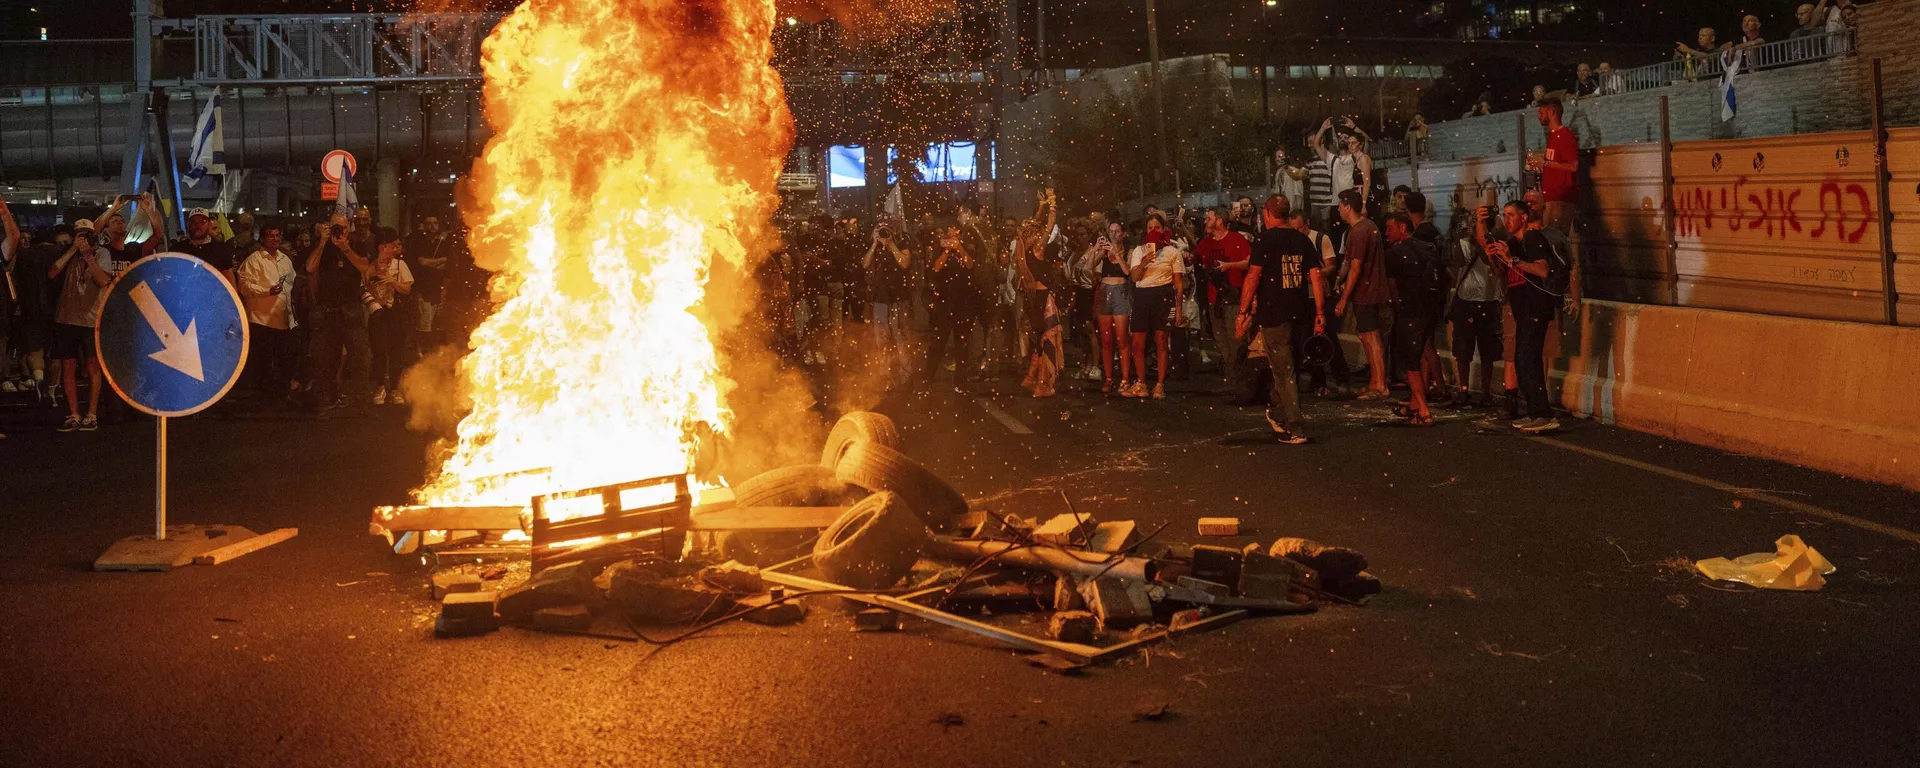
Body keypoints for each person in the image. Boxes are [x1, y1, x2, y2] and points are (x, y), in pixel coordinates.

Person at [1236, 196, 1322, 445]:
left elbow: (1252, 276)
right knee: (1287, 366)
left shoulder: (1265, 240)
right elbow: (1315, 277)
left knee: (1283, 371)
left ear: (1267, 213)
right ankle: (1280, 413)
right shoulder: (1302, 239)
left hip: (1275, 314)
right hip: (1299, 312)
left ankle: (1295, 427)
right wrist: (1320, 313)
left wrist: (1243, 312)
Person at [1483, 200, 1570, 433]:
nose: (1507, 219)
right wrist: (1497, 255)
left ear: (1524, 217)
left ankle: (1543, 414)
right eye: (1505, 214)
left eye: (1512, 214)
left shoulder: (1533, 239)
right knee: (1523, 362)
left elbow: (1542, 269)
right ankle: (1536, 413)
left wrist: (1513, 259)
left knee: (1528, 361)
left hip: (1535, 309)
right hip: (1523, 311)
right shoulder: (1515, 243)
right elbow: (1505, 273)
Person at [304, 214, 373, 417]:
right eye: (335, 228)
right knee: (326, 360)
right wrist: (323, 242)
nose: (339, 232)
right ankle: (325, 402)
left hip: (351, 309)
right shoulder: (323, 248)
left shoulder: (356, 245)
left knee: (360, 359)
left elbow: (363, 266)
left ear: (348, 229)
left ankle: (363, 405)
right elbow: (309, 267)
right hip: (328, 311)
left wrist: (345, 248)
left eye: (342, 228)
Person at [46, 220, 112, 432]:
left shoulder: (102, 253)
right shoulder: (67, 252)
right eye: (79, 234)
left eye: (87, 234)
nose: (83, 238)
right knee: (68, 367)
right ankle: (74, 413)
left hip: (92, 319)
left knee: (93, 366)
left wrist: (88, 256)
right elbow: (52, 273)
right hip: (66, 318)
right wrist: (74, 249)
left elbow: (103, 281)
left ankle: (91, 414)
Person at [1383, 213, 1446, 426]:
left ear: (1402, 228)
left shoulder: (1394, 253)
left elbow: (1392, 286)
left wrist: (1396, 304)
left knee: (1410, 363)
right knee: (1423, 353)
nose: (1386, 233)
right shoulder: (1428, 248)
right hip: (1431, 309)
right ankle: (1414, 405)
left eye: (1390, 229)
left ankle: (1424, 411)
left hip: (1410, 310)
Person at [1332, 190, 1392, 400]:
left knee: (1371, 336)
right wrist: (1339, 279)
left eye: (1340, 205)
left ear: (1348, 206)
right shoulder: (1364, 227)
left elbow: (1355, 267)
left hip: (1368, 291)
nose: (1338, 209)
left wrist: (1343, 299)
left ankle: (1380, 385)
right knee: (1367, 335)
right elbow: (1348, 263)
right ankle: (1375, 381)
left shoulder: (1358, 231)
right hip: (1369, 290)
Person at [1448, 204, 1504, 409]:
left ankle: (1486, 392)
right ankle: (1464, 390)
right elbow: (1457, 262)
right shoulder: (1464, 242)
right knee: (1463, 351)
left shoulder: (1494, 243)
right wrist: (1457, 237)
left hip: (1489, 301)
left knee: (1488, 352)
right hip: (1466, 301)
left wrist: (1480, 237)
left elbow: (1490, 262)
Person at [236, 225, 298, 400]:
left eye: (278, 235)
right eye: (271, 236)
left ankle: (282, 394)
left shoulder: (285, 259)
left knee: (286, 359)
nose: (275, 239)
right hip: (262, 320)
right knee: (264, 362)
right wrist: (267, 291)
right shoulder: (253, 260)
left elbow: (292, 284)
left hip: (284, 320)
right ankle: (265, 398)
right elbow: (244, 286)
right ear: (262, 239)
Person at [1289, 208, 1347, 396]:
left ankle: (1341, 378)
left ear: (1307, 223)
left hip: (1320, 295)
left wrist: (1316, 273)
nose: (1297, 233)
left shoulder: (1320, 239)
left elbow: (1331, 267)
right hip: (1301, 297)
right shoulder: (1292, 241)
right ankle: (1317, 381)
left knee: (1328, 337)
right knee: (1306, 340)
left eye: (1299, 228)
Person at [1125, 215, 1184, 399]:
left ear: (1163, 228)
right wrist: (1144, 261)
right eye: (1150, 227)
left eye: (1157, 227)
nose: (1153, 230)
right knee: (1137, 342)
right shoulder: (1138, 250)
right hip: (1142, 296)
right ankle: (1141, 382)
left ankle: (1159, 384)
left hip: (1163, 295)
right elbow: (1134, 277)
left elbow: (1178, 283)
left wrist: (1179, 309)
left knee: (1161, 340)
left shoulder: (1172, 252)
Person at [10, 224, 70, 400]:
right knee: (54, 352)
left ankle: (38, 378)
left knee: (35, 350)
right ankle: (52, 388)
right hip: (56, 306)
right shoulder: (59, 253)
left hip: (30, 308)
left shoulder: (24, 254)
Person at [1193, 208, 1251, 384]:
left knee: (1236, 341)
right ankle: (1233, 378)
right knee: (1221, 340)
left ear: (1219, 221)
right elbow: (1194, 257)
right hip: (1214, 300)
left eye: (1209, 218)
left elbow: (1250, 262)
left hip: (1233, 298)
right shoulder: (1206, 243)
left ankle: (1241, 380)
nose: (1205, 222)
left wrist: (1229, 266)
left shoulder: (1236, 239)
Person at [922, 223, 978, 388]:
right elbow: (935, 269)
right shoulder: (939, 249)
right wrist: (946, 250)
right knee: (938, 342)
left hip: (963, 303)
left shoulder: (966, 248)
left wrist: (959, 248)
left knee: (962, 344)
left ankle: (960, 381)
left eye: (956, 235)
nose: (952, 238)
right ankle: (928, 376)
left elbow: (970, 265)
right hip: (943, 303)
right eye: (950, 235)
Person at [364, 228, 414, 406]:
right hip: (378, 313)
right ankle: (379, 386)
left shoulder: (400, 265)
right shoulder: (370, 266)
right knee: (379, 351)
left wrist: (392, 281)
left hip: (396, 314)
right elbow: (362, 287)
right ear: (381, 247)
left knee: (397, 352)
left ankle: (394, 388)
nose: (395, 249)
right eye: (391, 246)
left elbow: (407, 289)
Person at [864, 220, 911, 386]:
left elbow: (904, 262)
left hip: (898, 299)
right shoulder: (874, 246)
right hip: (880, 300)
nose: (883, 233)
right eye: (880, 230)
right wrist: (875, 244)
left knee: (900, 338)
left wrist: (891, 244)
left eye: (886, 230)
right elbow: (865, 264)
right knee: (881, 340)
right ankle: (885, 375)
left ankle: (905, 376)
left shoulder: (901, 242)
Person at [1092, 220, 1134, 395]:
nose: (1114, 235)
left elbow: (1127, 271)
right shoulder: (1105, 250)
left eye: (1117, 231)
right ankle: (1108, 378)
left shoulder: (1129, 250)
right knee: (1106, 339)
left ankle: (1124, 379)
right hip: (1104, 290)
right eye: (1111, 231)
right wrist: (1097, 249)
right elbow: (1089, 266)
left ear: (1123, 234)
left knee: (1122, 338)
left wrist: (1117, 254)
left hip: (1121, 291)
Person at [404, 214, 454, 352]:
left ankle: (435, 353)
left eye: (435, 223)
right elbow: (420, 262)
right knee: (424, 326)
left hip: (439, 290)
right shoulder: (417, 242)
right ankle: (422, 355)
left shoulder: (443, 243)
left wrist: (430, 262)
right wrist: (439, 261)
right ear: (424, 225)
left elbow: (448, 261)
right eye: (429, 223)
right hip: (423, 290)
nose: (432, 226)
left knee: (438, 326)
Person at [1535, 95, 1579, 239]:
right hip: (1552, 199)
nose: (1538, 116)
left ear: (1551, 113)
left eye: (1541, 113)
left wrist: (1546, 163)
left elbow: (1573, 166)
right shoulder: (1554, 136)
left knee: (1555, 243)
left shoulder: (1565, 135)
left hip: (1561, 199)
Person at [171, 208, 237, 285]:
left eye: (202, 222)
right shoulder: (177, 249)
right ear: (188, 225)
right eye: (193, 222)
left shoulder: (221, 250)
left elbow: (230, 282)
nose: (197, 225)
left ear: (208, 224)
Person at [1304, 137, 1336, 232]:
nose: (1309, 145)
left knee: (1327, 229)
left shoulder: (1330, 158)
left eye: (1311, 142)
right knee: (1315, 230)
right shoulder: (1310, 161)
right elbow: (1299, 175)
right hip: (1315, 201)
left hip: (1328, 201)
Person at [1271, 148, 1307, 214]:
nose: (1277, 159)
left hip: (1293, 207)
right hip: (1282, 207)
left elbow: (1298, 193)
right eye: (1276, 157)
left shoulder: (1293, 170)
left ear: (1286, 157)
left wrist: (1296, 211)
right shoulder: (1278, 172)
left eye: (1280, 156)